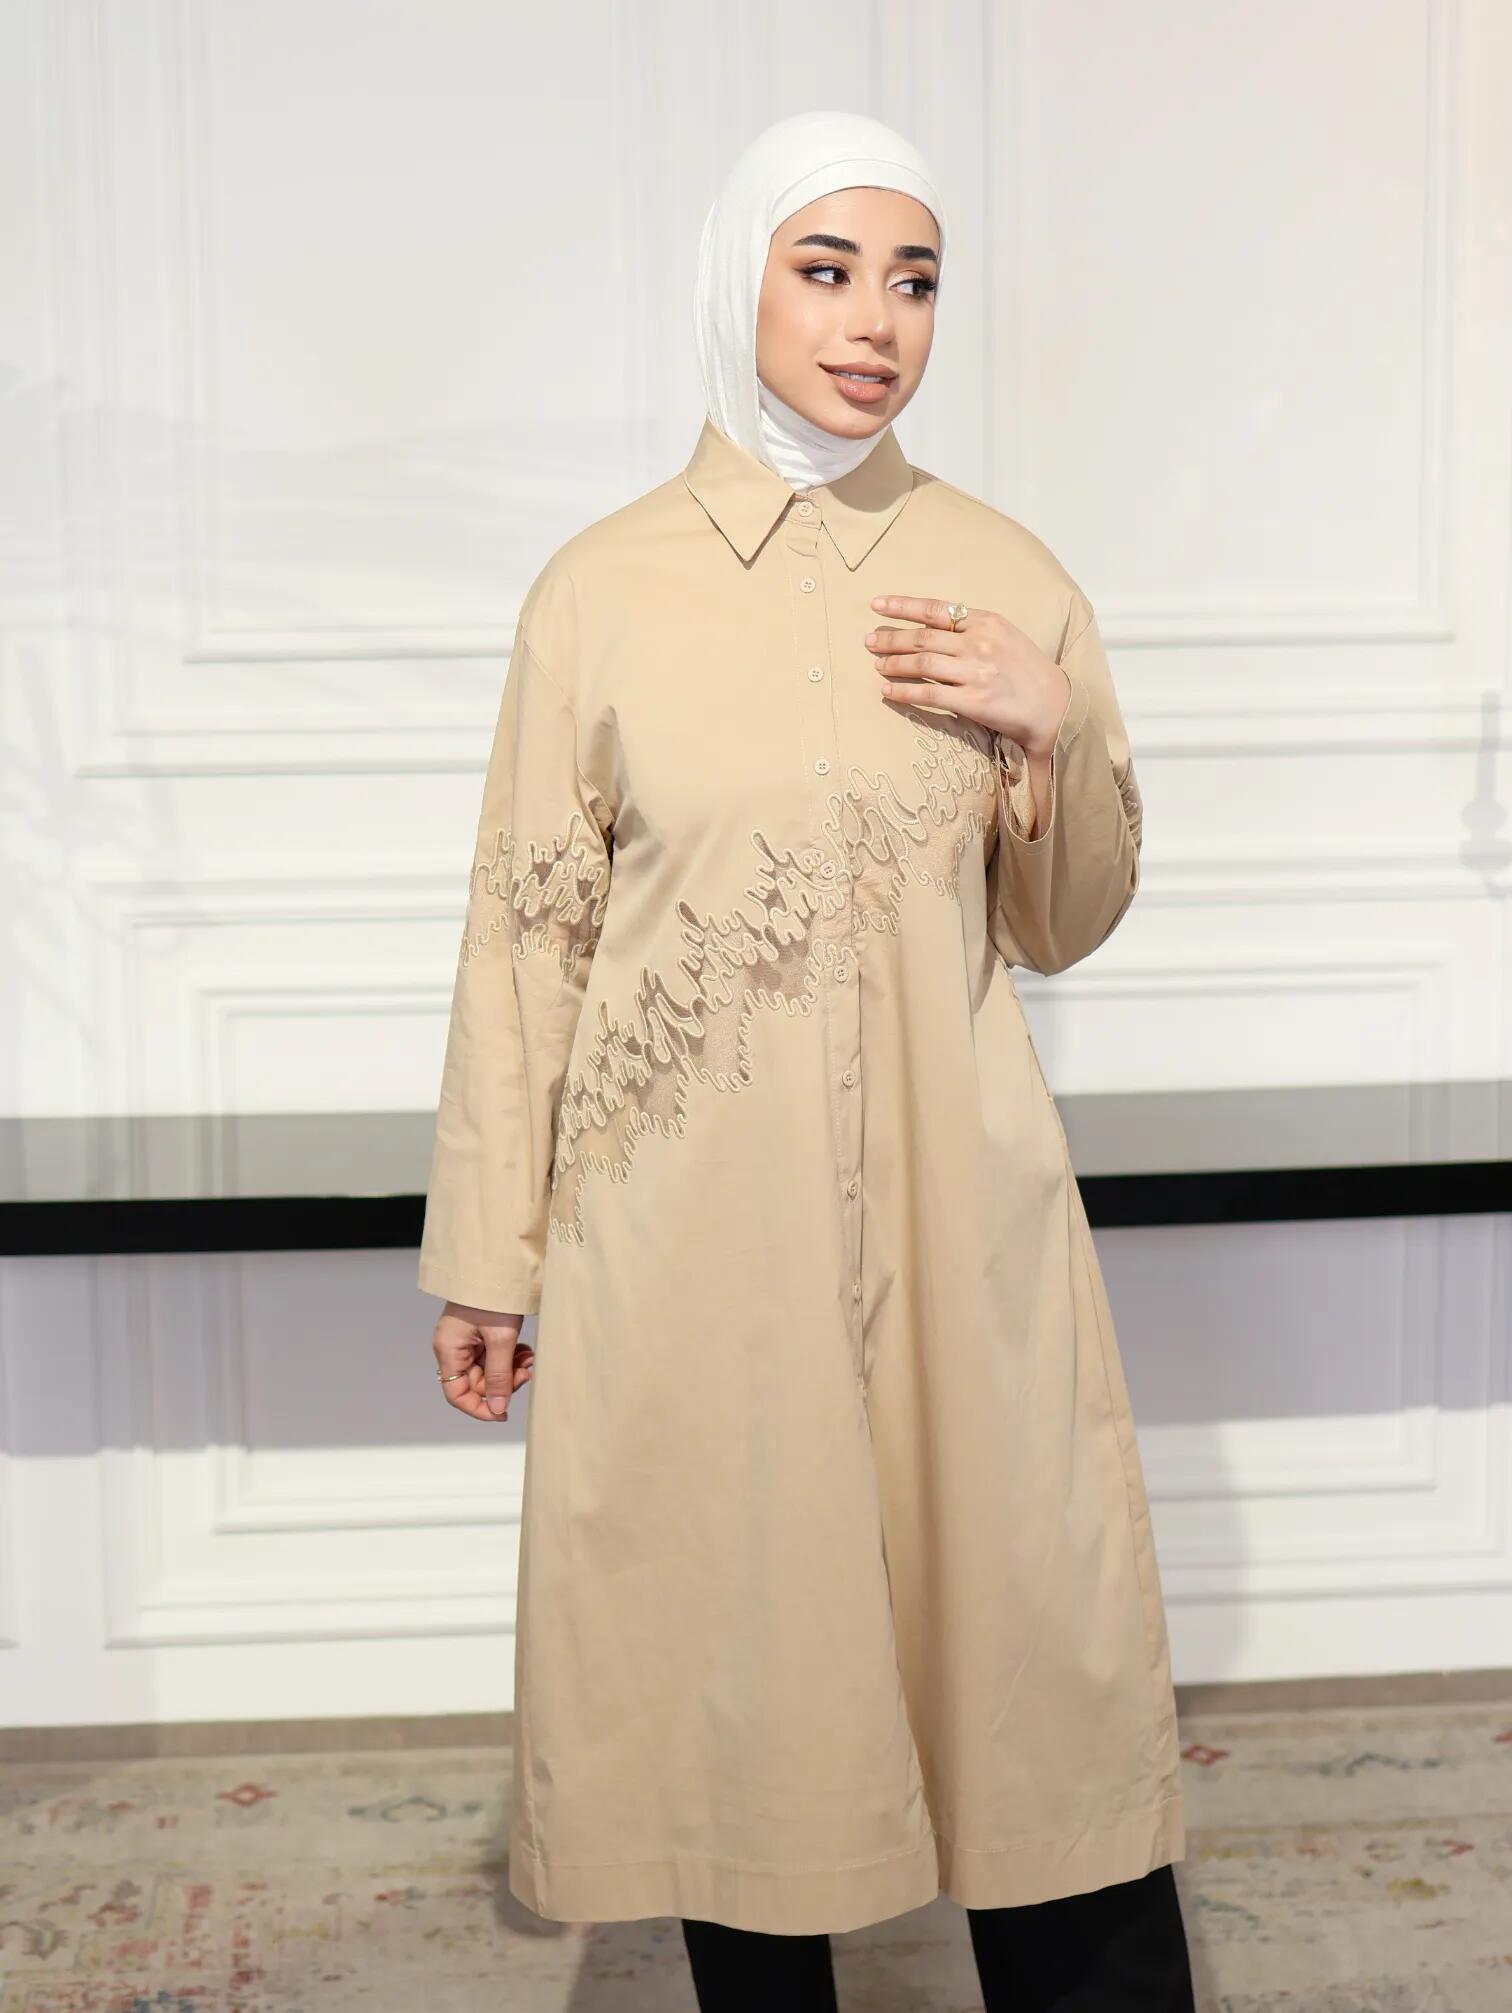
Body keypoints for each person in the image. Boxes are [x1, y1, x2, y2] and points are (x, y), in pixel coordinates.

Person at [418, 109, 1195, 2011]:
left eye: (913, 281)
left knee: (1032, 1689)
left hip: (958, 1231)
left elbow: (1066, 918)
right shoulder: (600, 593)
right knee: (743, 1700)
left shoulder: (1005, 575)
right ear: (737, 281)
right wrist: (487, 1257)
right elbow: (528, 943)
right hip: (695, 1244)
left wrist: (1047, 725)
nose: (876, 322)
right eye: (826, 270)